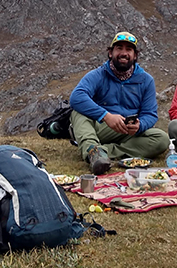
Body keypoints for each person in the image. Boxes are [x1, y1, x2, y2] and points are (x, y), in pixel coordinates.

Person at [69, 31, 169, 174]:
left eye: (129, 49)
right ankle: (91, 147)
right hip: (100, 127)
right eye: (119, 48)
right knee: (78, 111)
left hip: (126, 130)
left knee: (161, 139)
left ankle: (101, 152)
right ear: (110, 53)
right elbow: (77, 97)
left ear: (135, 55)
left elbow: (150, 114)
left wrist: (140, 125)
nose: (124, 53)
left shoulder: (146, 80)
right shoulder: (98, 74)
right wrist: (106, 116)